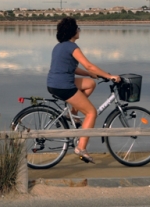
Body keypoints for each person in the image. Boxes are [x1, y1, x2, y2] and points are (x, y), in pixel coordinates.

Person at [46, 17, 120, 163]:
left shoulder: (59, 47)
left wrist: (89, 75)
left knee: (90, 84)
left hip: (54, 83)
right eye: (78, 28)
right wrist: (109, 76)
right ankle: (81, 148)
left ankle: (72, 114)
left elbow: (72, 68)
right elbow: (89, 65)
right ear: (72, 31)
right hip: (63, 85)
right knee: (91, 112)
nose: (79, 30)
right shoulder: (72, 47)